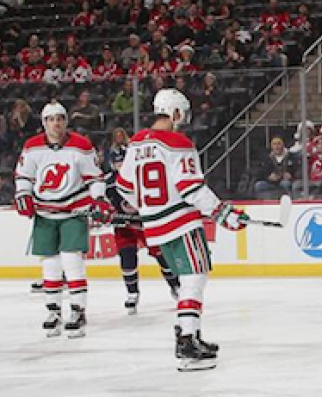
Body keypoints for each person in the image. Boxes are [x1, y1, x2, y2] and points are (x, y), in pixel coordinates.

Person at [115, 89, 247, 371]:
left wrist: (148, 208)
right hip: (181, 222)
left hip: (154, 226)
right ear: (175, 112)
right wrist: (223, 213)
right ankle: (187, 342)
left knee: (187, 278)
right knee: (194, 277)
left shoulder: (136, 142)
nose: (182, 121)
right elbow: (191, 187)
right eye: (181, 115)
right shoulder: (178, 142)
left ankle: (190, 334)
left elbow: (124, 187)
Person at [14, 102, 114, 338]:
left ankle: (78, 310)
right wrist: (23, 194)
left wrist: (99, 198)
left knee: (71, 259)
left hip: (74, 211)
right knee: (49, 263)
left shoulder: (81, 145)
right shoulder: (32, 147)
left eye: (60, 118)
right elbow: (24, 176)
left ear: (66, 121)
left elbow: (95, 178)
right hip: (45, 213)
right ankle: (54, 310)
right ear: (44, 122)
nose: (55, 123)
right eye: (51, 119)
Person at [106, 144, 180, 314]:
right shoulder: (108, 184)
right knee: (127, 257)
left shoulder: (142, 178)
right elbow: (103, 205)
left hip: (147, 225)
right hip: (124, 227)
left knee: (162, 257)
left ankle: (176, 286)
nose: (121, 165)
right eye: (118, 162)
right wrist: (109, 214)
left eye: (124, 161)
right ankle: (132, 293)